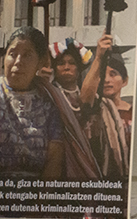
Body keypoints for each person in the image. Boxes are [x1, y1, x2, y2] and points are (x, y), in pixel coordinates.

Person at [0, 27, 99, 181]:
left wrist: (39, 195)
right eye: (12, 54)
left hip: (36, 189)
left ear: (40, 62)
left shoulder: (49, 101)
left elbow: (54, 158)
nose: (18, 61)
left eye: (27, 55)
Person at [47, 34, 129, 180]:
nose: (67, 67)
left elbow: (85, 102)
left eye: (72, 63)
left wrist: (99, 57)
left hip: (89, 166)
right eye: (61, 63)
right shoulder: (48, 96)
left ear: (79, 69)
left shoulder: (97, 101)